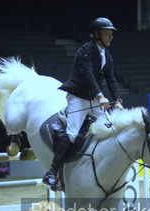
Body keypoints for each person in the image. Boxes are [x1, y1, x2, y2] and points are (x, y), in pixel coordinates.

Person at [42, 17, 124, 190]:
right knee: (72, 134)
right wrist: (100, 96)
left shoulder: (107, 56)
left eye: (111, 33)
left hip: (93, 99)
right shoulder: (85, 50)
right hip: (78, 98)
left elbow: (111, 79)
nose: (111, 36)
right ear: (96, 34)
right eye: (107, 33)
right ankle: (51, 173)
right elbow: (88, 75)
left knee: (110, 128)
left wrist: (117, 100)